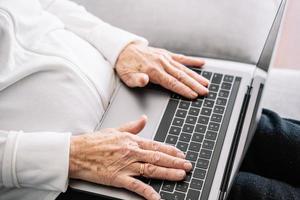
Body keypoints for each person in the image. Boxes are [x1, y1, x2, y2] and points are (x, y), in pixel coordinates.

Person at [0, 0, 208, 200]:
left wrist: (120, 47)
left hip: (128, 88)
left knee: (228, 120)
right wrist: (69, 156)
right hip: (59, 181)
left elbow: (43, 4)